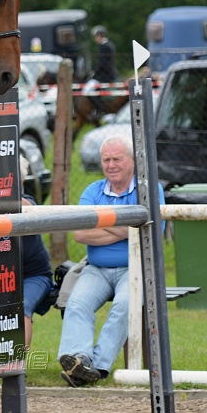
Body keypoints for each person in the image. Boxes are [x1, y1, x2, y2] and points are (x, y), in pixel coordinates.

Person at [57, 134, 165, 387]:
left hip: (134, 268)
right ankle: (79, 358)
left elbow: (153, 231)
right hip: (97, 268)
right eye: (106, 160)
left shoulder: (148, 189)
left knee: (125, 305)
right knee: (77, 304)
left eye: (117, 159)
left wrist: (103, 224)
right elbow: (80, 233)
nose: (111, 165)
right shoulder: (93, 191)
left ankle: (95, 366)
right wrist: (129, 227)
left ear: (132, 161)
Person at [18, 156, 53, 351]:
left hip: (33, 276)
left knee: (20, 308)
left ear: (21, 181)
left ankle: (17, 365)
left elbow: (28, 207)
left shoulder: (27, 203)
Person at [82, 25, 119, 114]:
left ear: (100, 36)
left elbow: (102, 64)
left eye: (96, 36)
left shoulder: (103, 47)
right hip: (109, 73)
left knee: (87, 90)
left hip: (104, 75)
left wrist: (94, 74)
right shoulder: (110, 44)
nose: (95, 39)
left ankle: (99, 110)